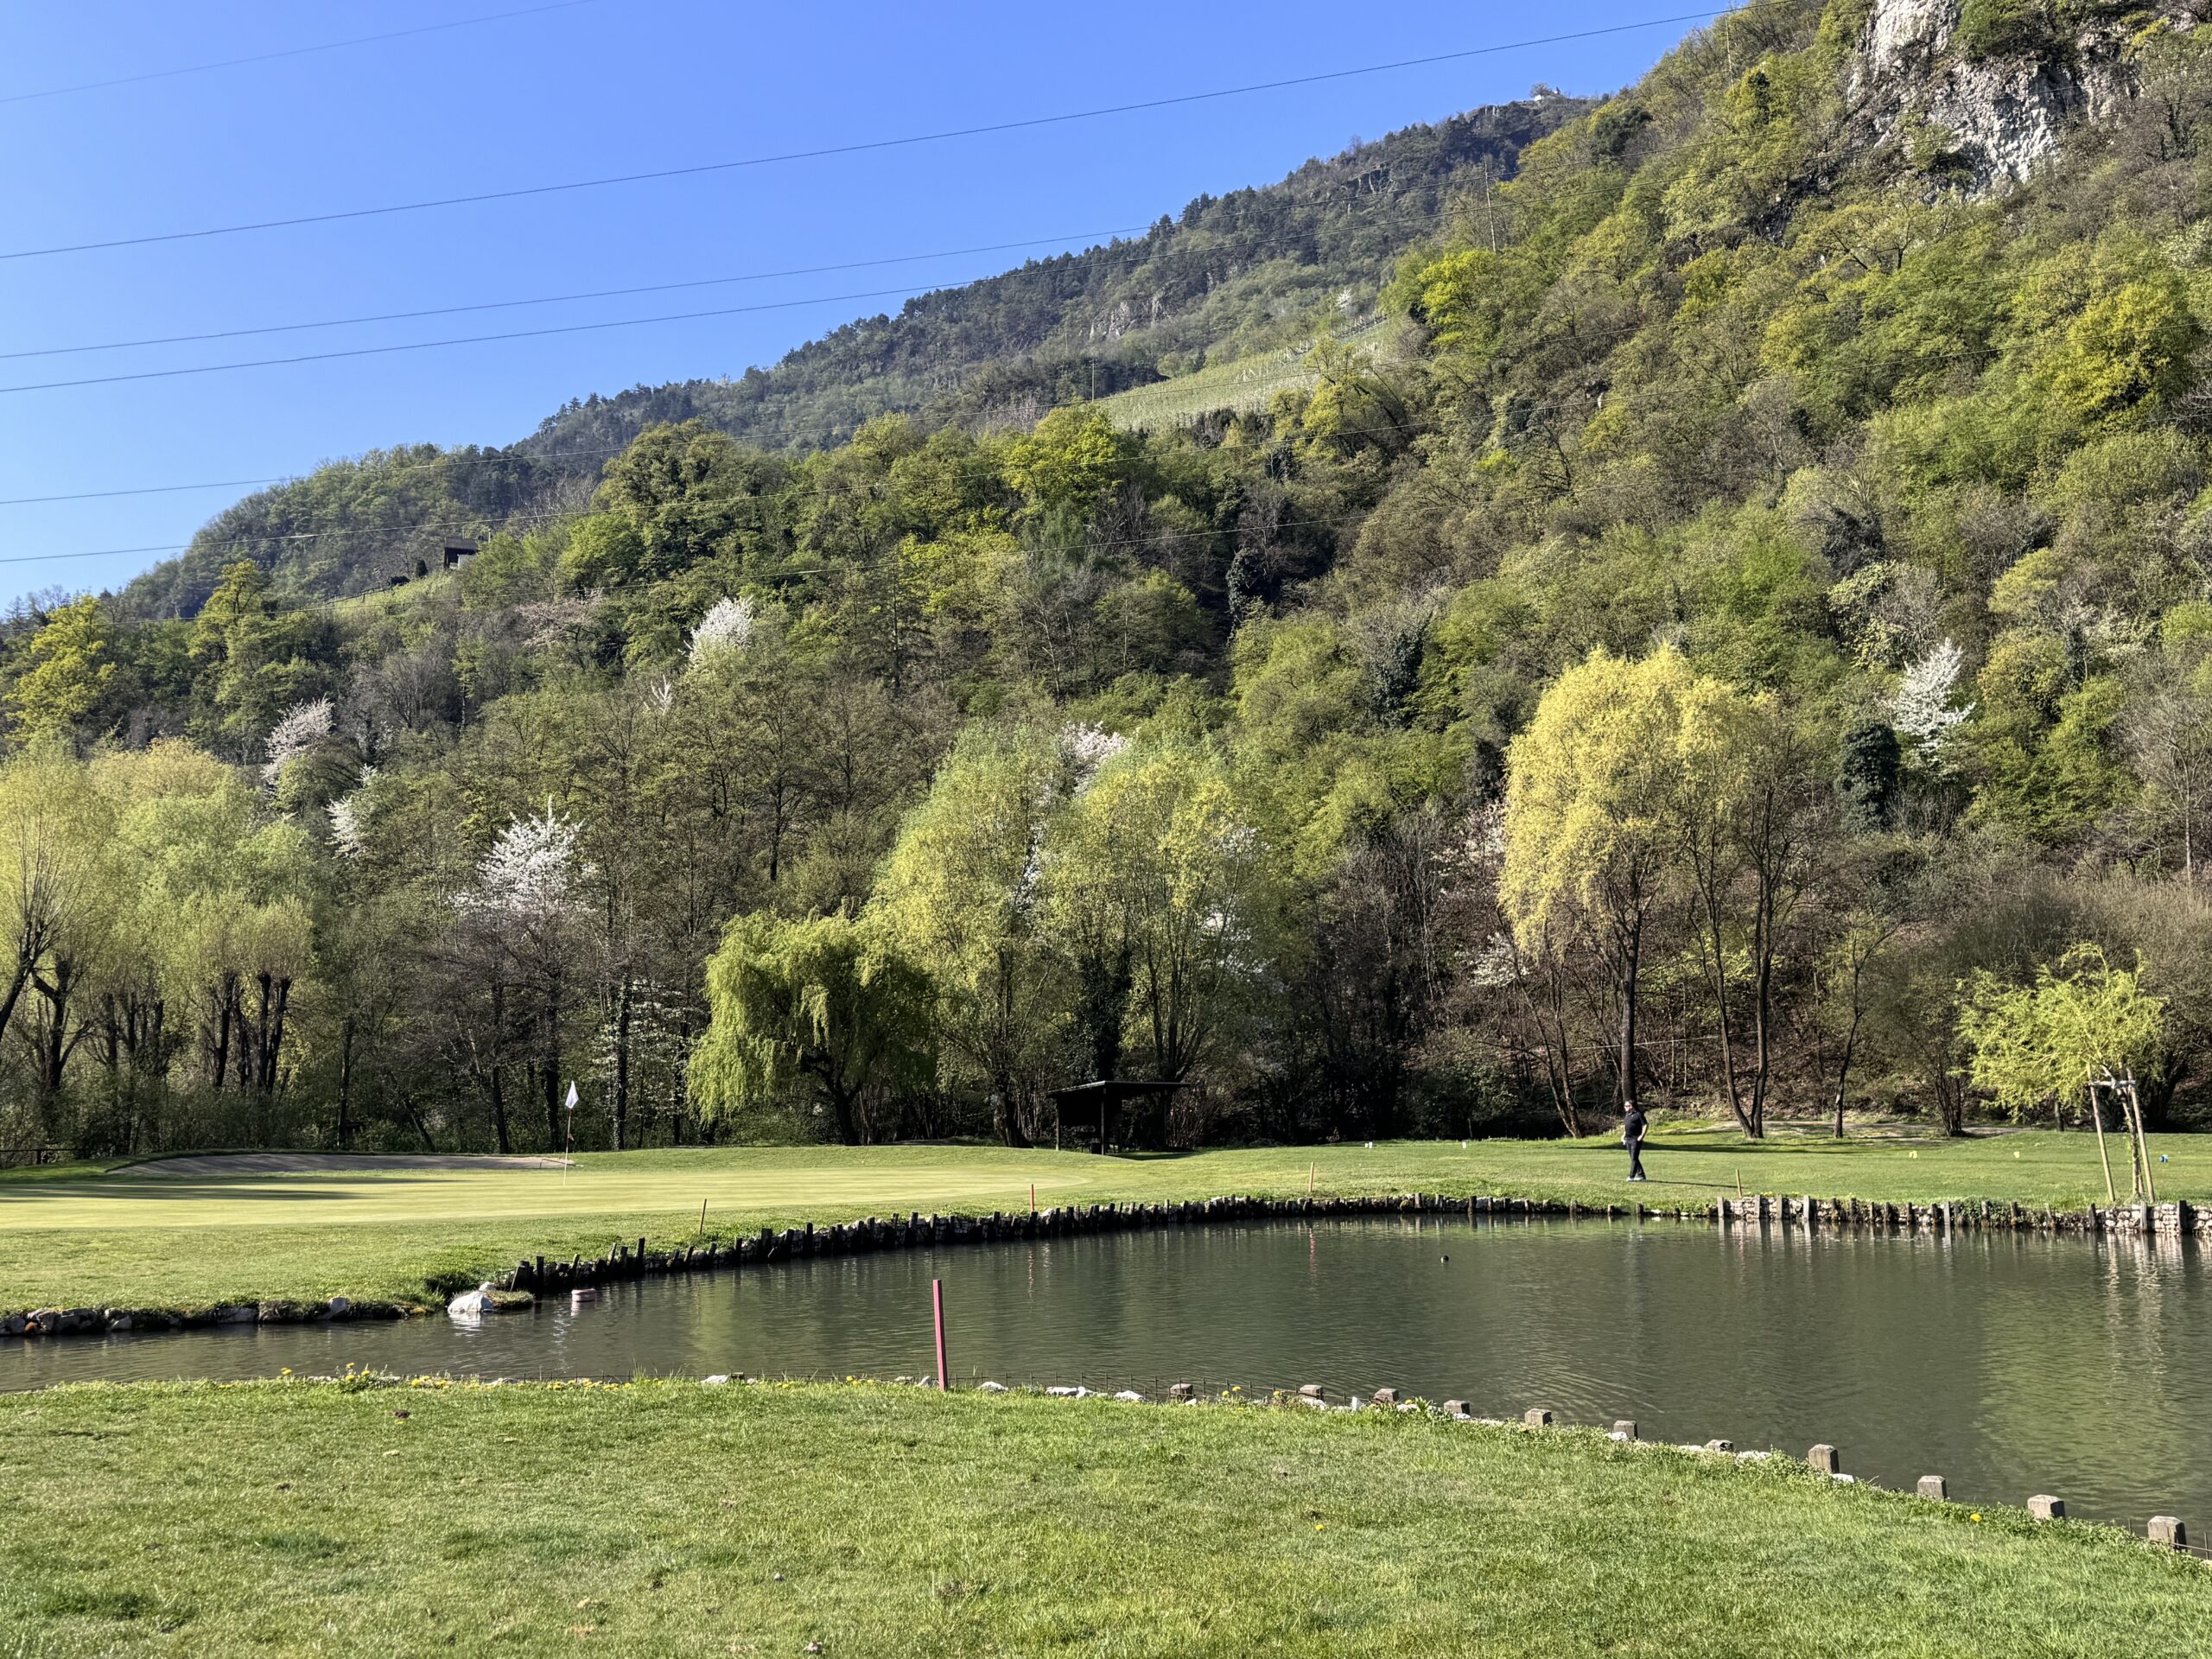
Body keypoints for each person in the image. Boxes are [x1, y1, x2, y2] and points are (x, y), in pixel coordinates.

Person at [1623, 1103, 1648, 1182]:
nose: (1625, 1107)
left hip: (1636, 1139)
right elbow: (1626, 1126)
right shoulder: (1627, 1115)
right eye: (1625, 1106)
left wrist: (1642, 1136)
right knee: (1634, 1158)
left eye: (1626, 1106)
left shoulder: (1638, 1115)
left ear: (1631, 1106)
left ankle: (1631, 1176)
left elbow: (1645, 1125)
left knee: (1634, 1158)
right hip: (1628, 1139)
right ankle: (1641, 1176)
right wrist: (1623, 1136)